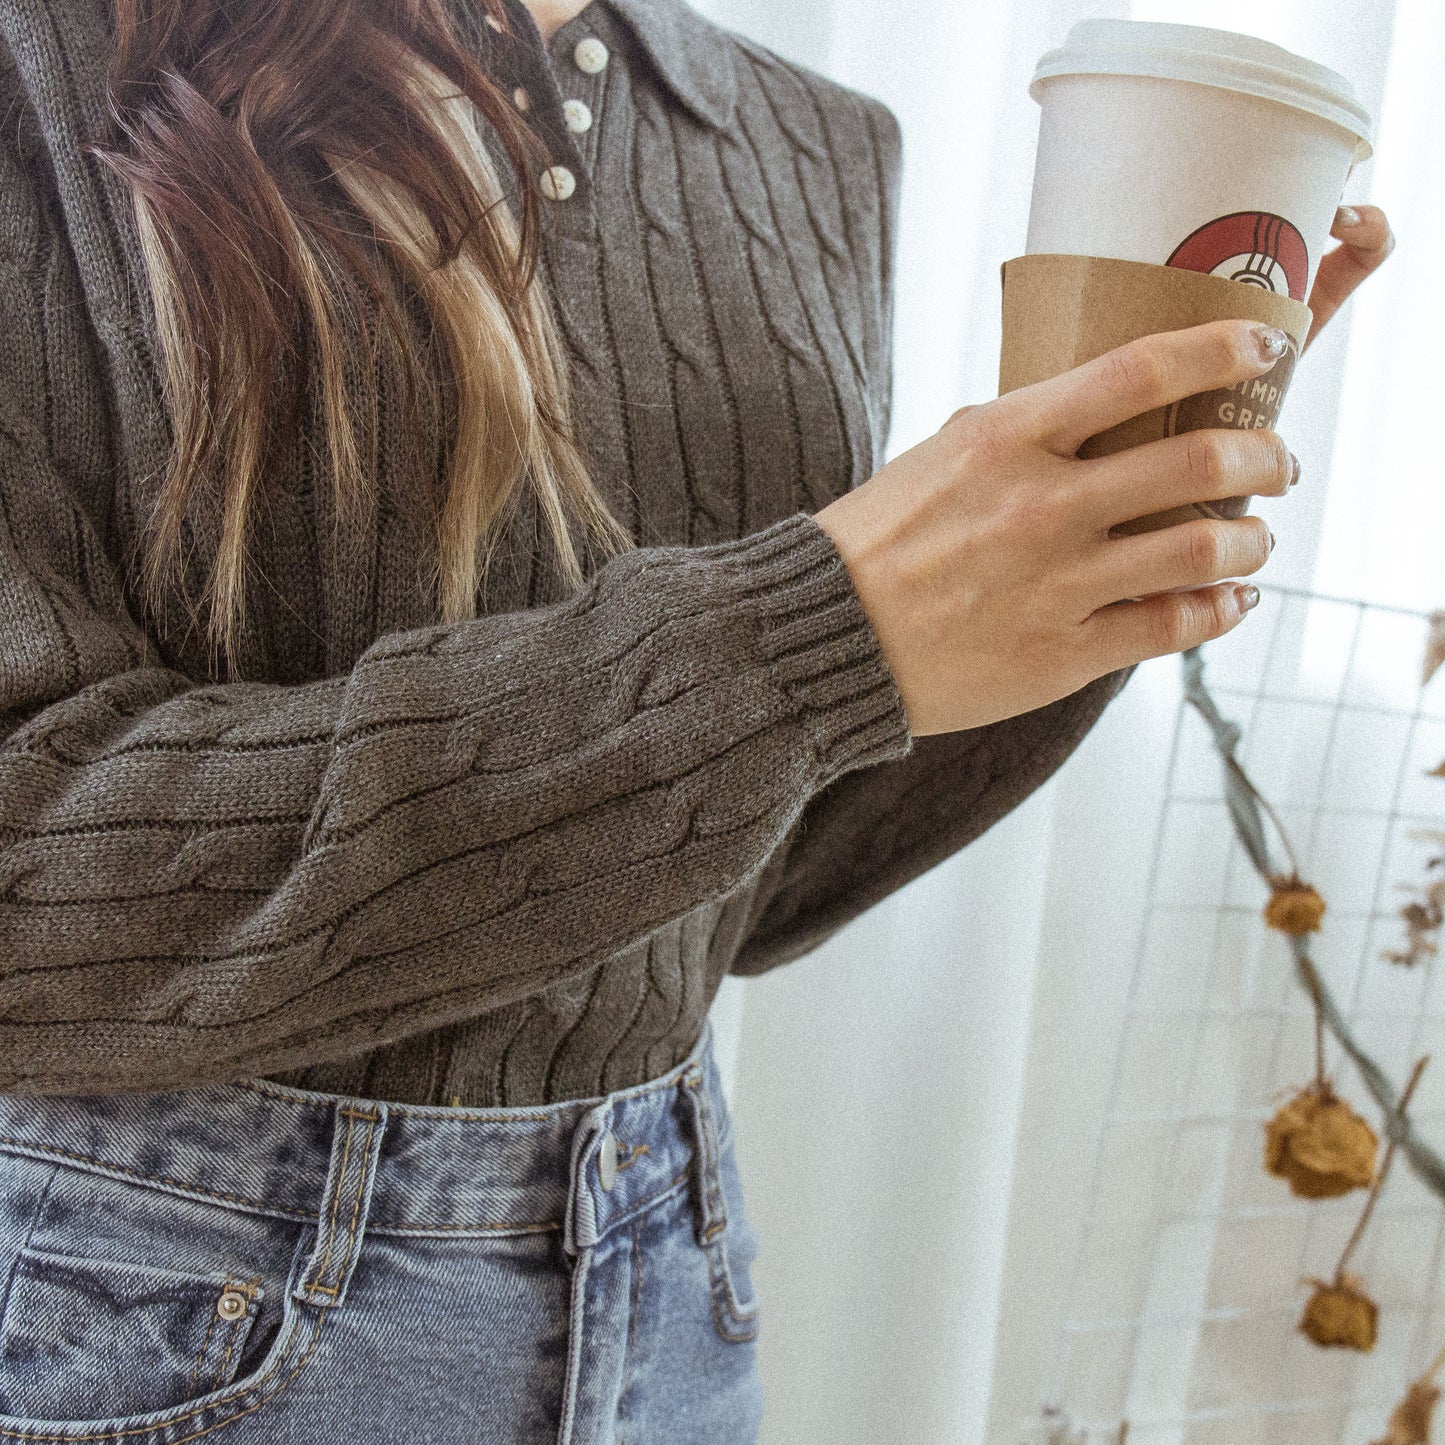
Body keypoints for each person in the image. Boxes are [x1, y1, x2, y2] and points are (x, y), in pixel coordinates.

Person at [0, 0, 1393, 1439]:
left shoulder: (808, 138)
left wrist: (1083, 560)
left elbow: (738, 886)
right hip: (152, 1292)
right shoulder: (44, 58)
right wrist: (812, 636)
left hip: (666, 1262)